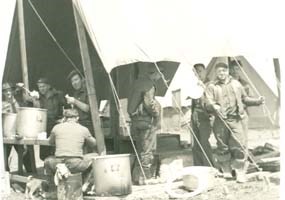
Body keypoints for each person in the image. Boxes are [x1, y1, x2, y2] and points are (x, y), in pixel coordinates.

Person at [205, 62, 264, 183]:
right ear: (216, 73)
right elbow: (207, 103)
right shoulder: (211, 86)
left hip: (236, 119)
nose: (222, 73)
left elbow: (245, 99)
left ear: (228, 72)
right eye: (219, 71)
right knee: (222, 146)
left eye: (224, 71)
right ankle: (226, 170)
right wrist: (213, 106)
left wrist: (257, 101)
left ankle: (240, 172)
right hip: (220, 121)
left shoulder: (236, 84)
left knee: (239, 145)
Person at [44, 109, 97, 191]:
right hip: (75, 164)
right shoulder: (83, 129)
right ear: (77, 118)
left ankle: (53, 189)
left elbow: (50, 142)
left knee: (47, 161)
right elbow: (94, 143)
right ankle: (85, 185)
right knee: (96, 157)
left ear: (64, 118)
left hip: (58, 163)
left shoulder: (56, 128)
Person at [127, 64, 162, 185]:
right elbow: (149, 103)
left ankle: (137, 178)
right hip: (145, 121)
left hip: (134, 121)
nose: (160, 76)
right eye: (160, 73)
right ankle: (146, 178)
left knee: (139, 149)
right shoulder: (149, 84)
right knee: (147, 150)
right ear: (155, 73)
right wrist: (157, 113)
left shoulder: (136, 83)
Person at [29, 78, 66, 160]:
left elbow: (65, 107)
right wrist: (35, 100)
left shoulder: (58, 95)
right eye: (39, 87)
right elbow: (38, 111)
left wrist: (63, 119)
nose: (41, 89)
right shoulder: (39, 97)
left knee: (57, 150)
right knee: (43, 153)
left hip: (57, 126)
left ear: (49, 86)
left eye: (43, 86)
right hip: (44, 127)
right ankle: (47, 168)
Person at [2, 82, 34, 172]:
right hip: (6, 135)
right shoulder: (2, 104)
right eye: (5, 91)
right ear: (3, 93)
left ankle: (31, 174)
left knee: (26, 155)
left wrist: (22, 89)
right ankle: (6, 179)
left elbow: (25, 111)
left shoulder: (19, 102)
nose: (8, 93)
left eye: (9, 90)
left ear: (12, 91)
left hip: (18, 133)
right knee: (3, 159)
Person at [191, 63, 213, 166]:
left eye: (200, 71)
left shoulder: (210, 84)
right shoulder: (194, 85)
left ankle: (209, 166)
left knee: (205, 142)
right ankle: (199, 166)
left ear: (205, 71)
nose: (198, 74)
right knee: (196, 144)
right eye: (195, 72)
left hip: (205, 116)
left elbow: (210, 100)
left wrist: (203, 87)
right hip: (195, 116)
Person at [66, 70, 93, 136]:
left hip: (88, 126)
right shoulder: (76, 93)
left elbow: (88, 108)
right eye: (72, 81)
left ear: (82, 79)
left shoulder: (89, 92)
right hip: (77, 125)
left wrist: (75, 101)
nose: (74, 83)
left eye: (76, 79)